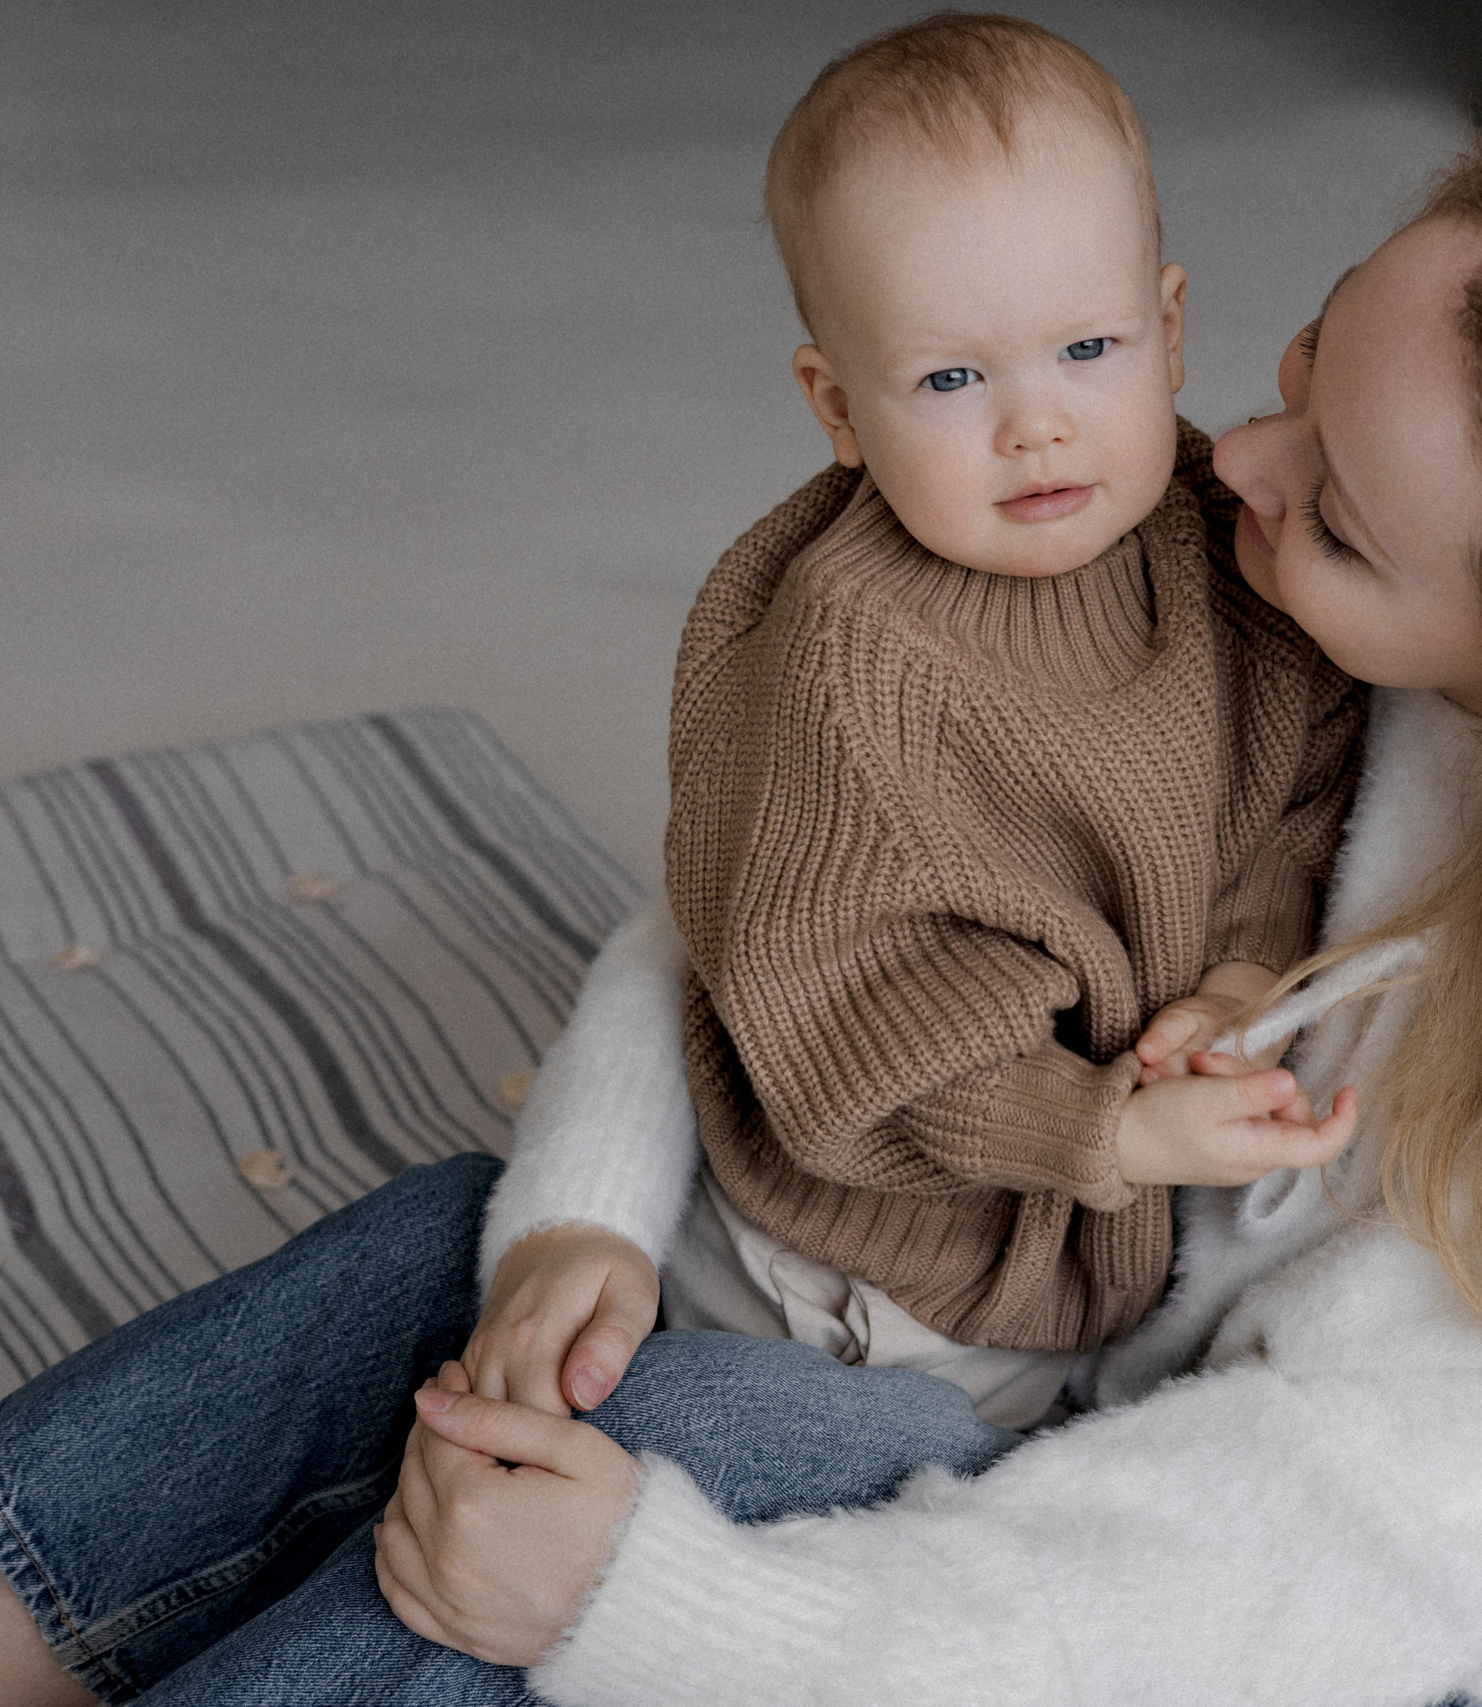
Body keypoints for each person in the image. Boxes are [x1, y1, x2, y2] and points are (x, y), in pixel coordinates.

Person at [0, 132, 1482, 1707]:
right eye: (1290, 370)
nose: (1238, 469)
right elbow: (781, 927)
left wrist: (660, 1606)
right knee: (473, 1246)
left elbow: (1286, 1564)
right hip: (1012, 1324)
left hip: (1252, 1622)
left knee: (662, 1436)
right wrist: (584, 1209)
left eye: (1343, 516)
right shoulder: (1245, 590)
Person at [560, 11, 1363, 1435]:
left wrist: (1242, 982)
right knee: (783, 1512)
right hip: (864, 1276)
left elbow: (1296, 794)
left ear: (1170, 330)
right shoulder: (852, 667)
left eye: (1087, 346)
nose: (1035, 425)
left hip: (1085, 1249)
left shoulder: (1221, 555)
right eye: (949, 378)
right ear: (839, 408)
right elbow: (852, 1016)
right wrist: (1104, 1128)